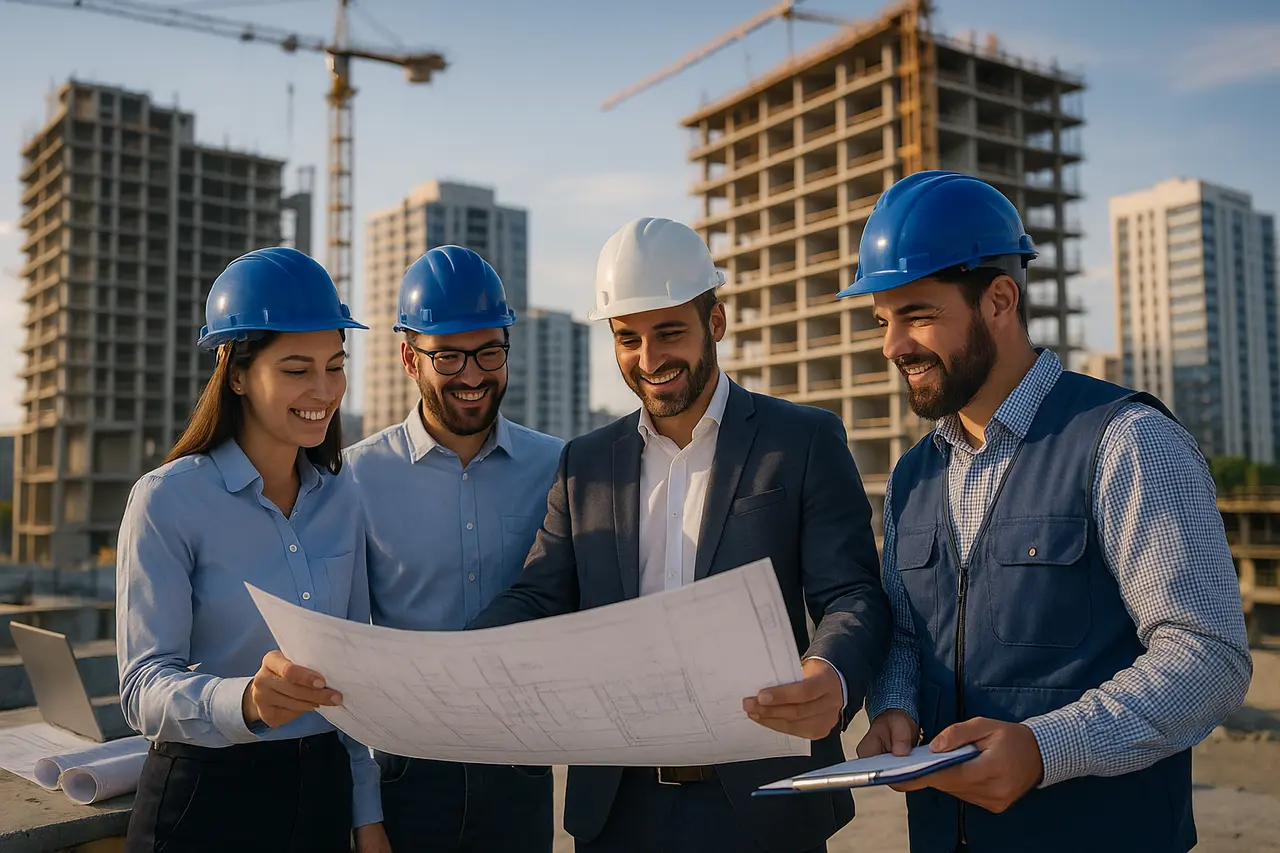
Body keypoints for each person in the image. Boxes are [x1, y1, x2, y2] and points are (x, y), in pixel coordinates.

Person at [848, 171, 1254, 853]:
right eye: (883, 321)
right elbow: (908, 635)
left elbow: (1208, 655)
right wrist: (894, 703)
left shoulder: (1127, 440)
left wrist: (1044, 748)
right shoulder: (913, 476)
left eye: (916, 315)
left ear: (1000, 299)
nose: (893, 345)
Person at [467, 217, 892, 853]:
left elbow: (851, 594)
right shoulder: (584, 463)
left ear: (714, 324)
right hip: (616, 811)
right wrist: (455, 658)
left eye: (669, 332)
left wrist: (830, 674)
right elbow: (539, 596)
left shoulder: (800, 442)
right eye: (627, 339)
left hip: (765, 805)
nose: (649, 358)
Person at [115, 247, 389, 853]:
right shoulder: (166, 501)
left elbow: (351, 677)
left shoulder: (344, 498)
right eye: (296, 369)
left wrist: (364, 812)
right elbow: (140, 686)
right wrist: (243, 699)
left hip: (321, 793)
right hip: (205, 798)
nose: (323, 390)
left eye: (335, 366)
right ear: (236, 373)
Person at [344, 245, 564, 852]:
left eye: (490, 352)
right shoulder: (353, 480)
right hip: (404, 777)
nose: (473, 375)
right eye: (449, 357)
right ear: (409, 359)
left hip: (520, 774)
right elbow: (341, 649)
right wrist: (364, 812)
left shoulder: (558, 468)